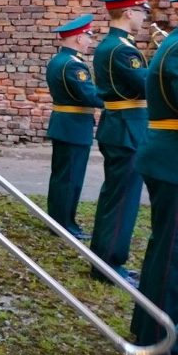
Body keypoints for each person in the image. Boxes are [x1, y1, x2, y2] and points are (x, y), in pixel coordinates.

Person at [90, 0, 152, 285]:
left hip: (121, 125)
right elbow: (147, 86)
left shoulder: (112, 45)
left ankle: (103, 259)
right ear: (128, 12)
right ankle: (109, 264)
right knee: (123, 200)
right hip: (127, 127)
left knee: (115, 196)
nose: (145, 19)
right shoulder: (122, 49)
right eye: (142, 11)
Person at [131, 0, 178, 355]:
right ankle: (163, 338)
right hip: (170, 156)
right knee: (172, 252)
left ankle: (150, 326)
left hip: (165, 153)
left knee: (166, 246)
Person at [45, 14, 103, 240]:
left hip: (66, 125)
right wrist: (116, 97)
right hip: (74, 127)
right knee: (70, 178)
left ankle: (58, 220)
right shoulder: (73, 65)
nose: (90, 41)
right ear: (79, 38)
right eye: (89, 36)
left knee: (62, 177)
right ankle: (63, 224)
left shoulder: (59, 60)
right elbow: (89, 95)